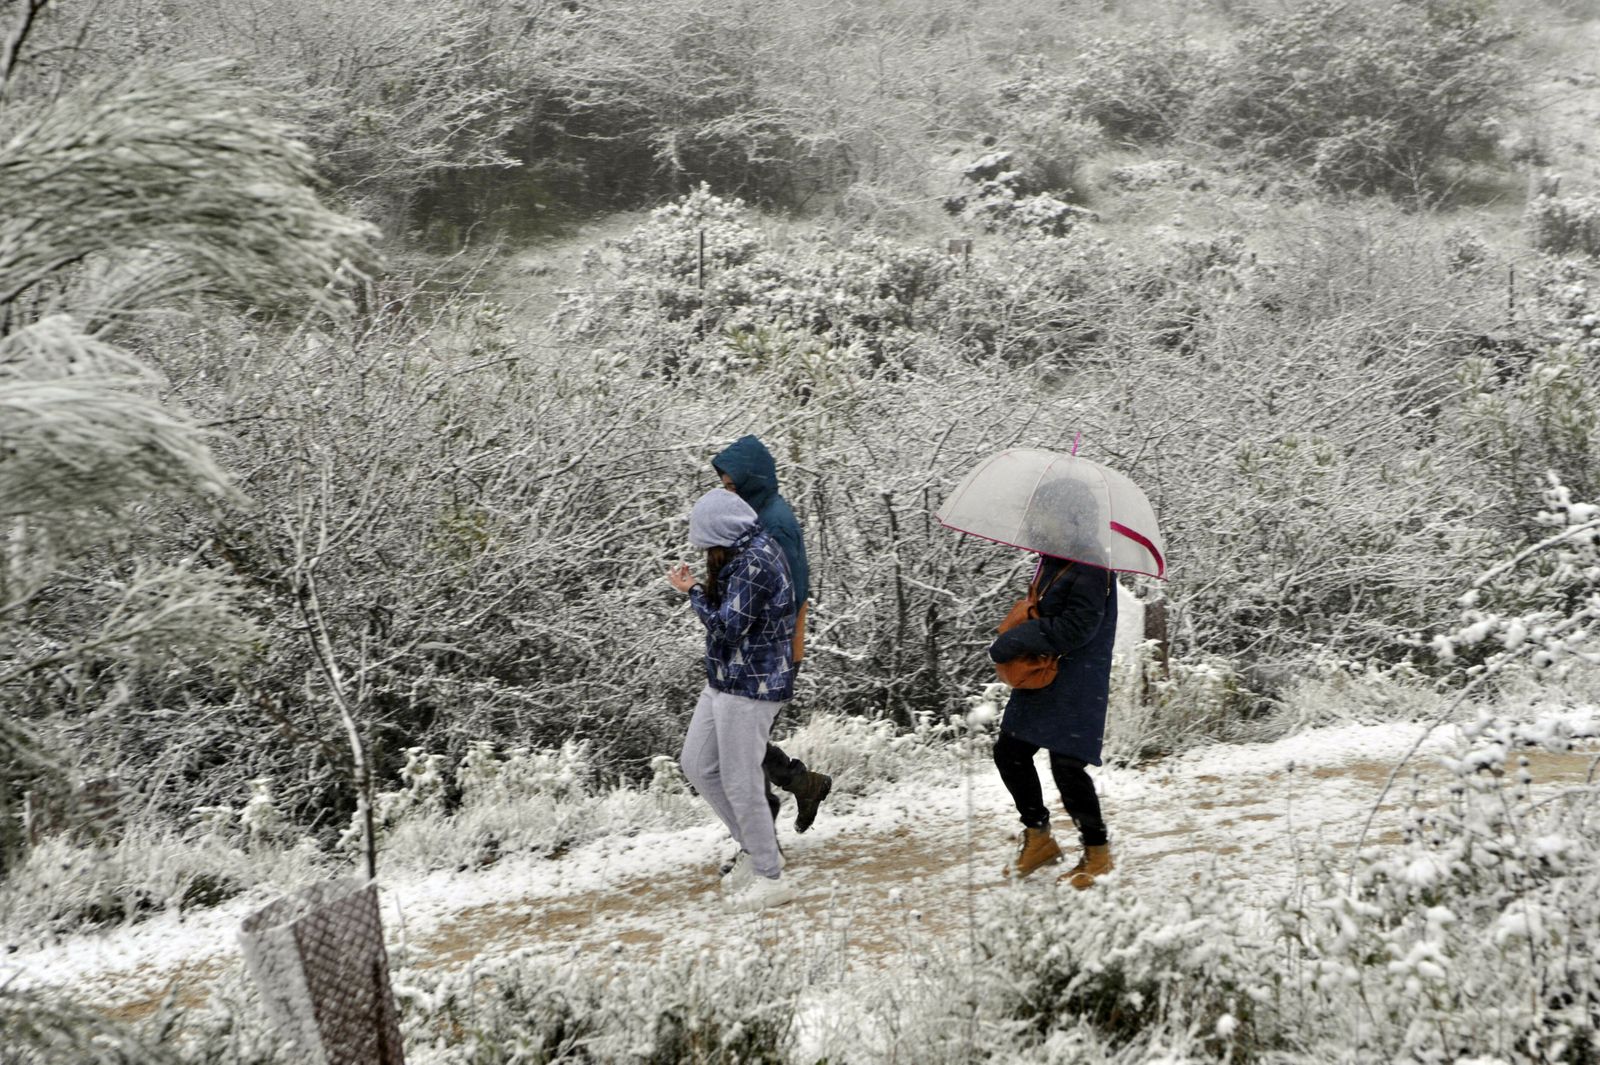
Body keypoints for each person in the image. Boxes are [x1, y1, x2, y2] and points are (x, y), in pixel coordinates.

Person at [669, 488, 800, 912]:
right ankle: (756, 849)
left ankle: (770, 876)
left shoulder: (755, 563)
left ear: (723, 530)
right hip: (727, 679)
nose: (706, 551)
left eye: (707, 541)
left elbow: (727, 628)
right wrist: (695, 588)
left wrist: (691, 595)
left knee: (741, 781)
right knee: (697, 764)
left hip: (752, 687)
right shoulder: (743, 554)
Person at [711, 435, 832, 833]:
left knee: (739, 745)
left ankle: (761, 832)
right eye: (724, 487)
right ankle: (803, 784)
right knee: (738, 740)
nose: (726, 494)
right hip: (752, 649)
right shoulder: (755, 515)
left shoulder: (774, 523)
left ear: (752, 481)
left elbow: (789, 594)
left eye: (732, 486)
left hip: (770, 651)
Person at [987, 551, 1119, 889]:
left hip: (1077, 680)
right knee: (1010, 751)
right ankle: (1039, 837)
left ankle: (1098, 853)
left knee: (1067, 765)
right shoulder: (1056, 559)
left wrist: (1016, 639)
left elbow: (1077, 627)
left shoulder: (1091, 567)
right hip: (1042, 674)